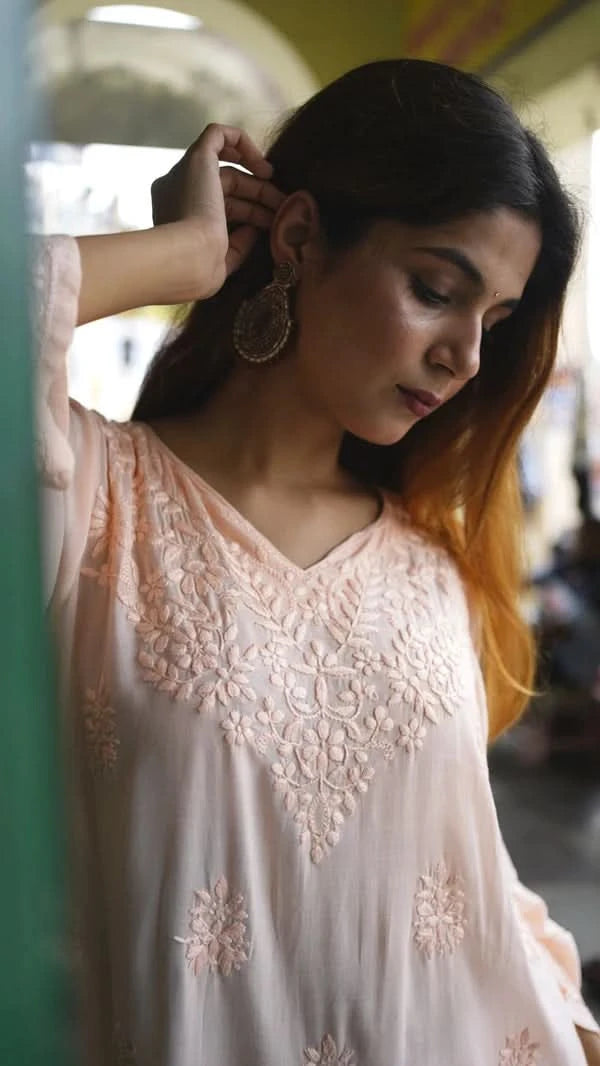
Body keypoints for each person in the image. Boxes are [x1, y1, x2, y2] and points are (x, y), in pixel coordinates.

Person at [36, 59, 600, 1065]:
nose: (466, 356)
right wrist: (180, 256)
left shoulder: (431, 567)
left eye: (493, 323)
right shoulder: (88, 502)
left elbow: (475, 891)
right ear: (299, 238)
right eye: (436, 290)